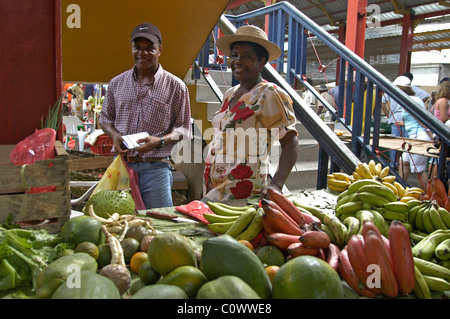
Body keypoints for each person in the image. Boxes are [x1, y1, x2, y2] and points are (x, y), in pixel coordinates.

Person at [99, 22, 192, 209]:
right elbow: (105, 119)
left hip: (156, 168)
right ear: (132, 49)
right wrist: (115, 136)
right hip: (122, 167)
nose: (143, 53)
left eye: (150, 48)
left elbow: (184, 129)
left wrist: (159, 141)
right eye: (138, 48)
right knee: (119, 221)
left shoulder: (175, 86)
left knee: (160, 222)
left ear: (160, 50)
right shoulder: (117, 83)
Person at [202, 24, 299, 201]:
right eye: (234, 55)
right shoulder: (230, 94)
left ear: (261, 62)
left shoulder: (270, 94)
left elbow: (290, 142)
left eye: (246, 56)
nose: (238, 60)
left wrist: (276, 184)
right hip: (214, 187)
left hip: (242, 192)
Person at [393, 76, 432, 188]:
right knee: (403, 162)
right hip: (413, 136)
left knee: (419, 169)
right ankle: (401, 188)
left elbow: (422, 119)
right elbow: (415, 119)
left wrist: (432, 134)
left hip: (419, 136)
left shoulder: (413, 101)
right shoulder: (409, 100)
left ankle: (424, 195)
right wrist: (404, 124)